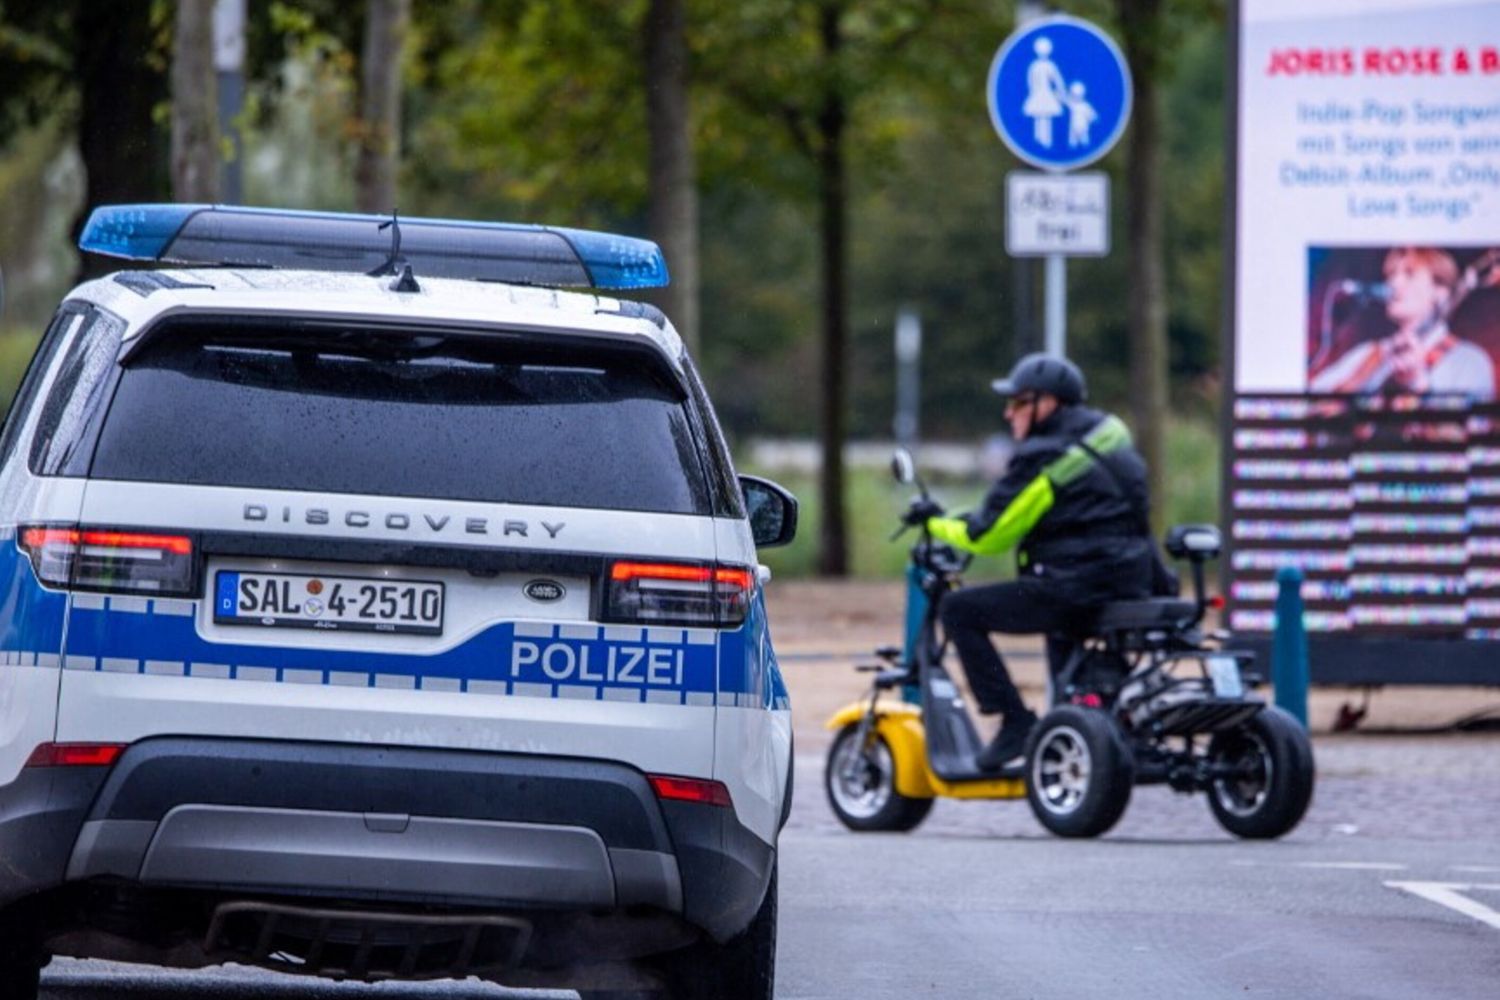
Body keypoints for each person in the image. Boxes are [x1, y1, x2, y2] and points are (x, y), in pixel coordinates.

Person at [902, 354, 1156, 770]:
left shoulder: (1046, 453)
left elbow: (988, 535)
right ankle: (1095, 719)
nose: (1009, 413)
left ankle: (1014, 722)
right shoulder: (1109, 444)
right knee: (1059, 627)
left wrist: (936, 522)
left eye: (1018, 402)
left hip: (1076, 585)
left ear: (1048, 403)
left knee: (959, 609)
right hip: (1131, 582)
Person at [1310, 247, 1496, 399]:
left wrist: (1417, 385)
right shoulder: (1369, 353)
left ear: (1440, 291)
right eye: (1390, 274)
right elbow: (1311, 401)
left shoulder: (1469, 361)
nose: (1394, 283)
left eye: (1409, 274)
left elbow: (1468, 435)